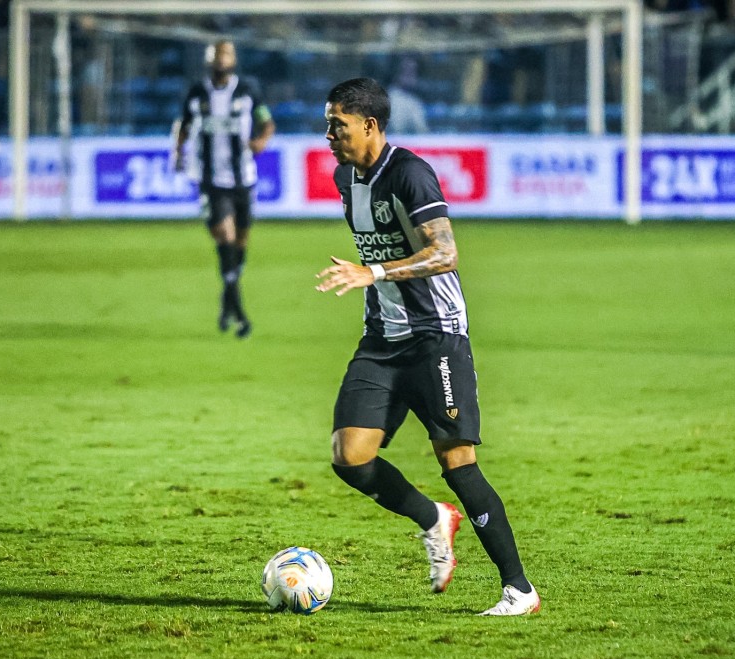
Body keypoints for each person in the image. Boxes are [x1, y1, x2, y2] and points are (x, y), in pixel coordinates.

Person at [315, 77, 539, 616]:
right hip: (382, 337)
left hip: (436, 336)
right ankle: (434, 519)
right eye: (328, 125)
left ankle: (519, 590)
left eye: (338, 125)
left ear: (370, 125)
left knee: (457, 461)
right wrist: (374, 279)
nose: (329, 136)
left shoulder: (410, 174)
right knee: (349, 455)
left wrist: (373, 272)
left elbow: (445, 254)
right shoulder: (346, 178)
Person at [171, 40, 275, 339]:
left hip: (243, 179)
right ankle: (240, 314)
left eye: (226, 54)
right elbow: (184, 126)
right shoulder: (197, 92)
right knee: (226, 238)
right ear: (209, 60)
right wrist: (178, 153)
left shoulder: (248, 90)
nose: (221, 59)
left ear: (233, 59)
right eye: (217, 54)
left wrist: (261, 141)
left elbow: (267, 122)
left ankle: (227, 301)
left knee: (239, 245)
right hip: (211, 181)